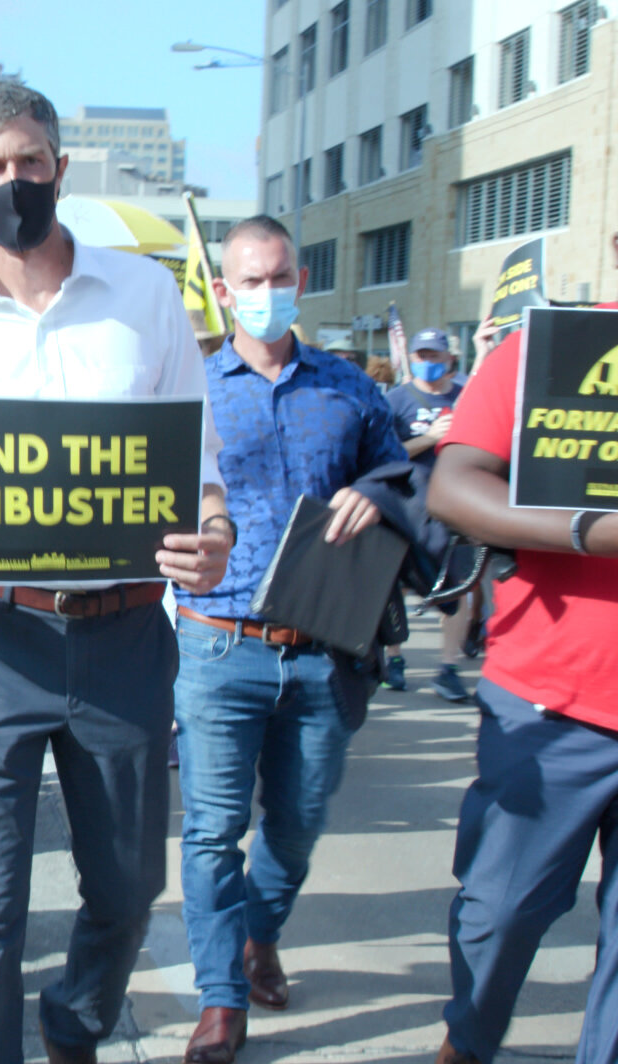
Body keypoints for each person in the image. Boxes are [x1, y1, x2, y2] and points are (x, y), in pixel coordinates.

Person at [0, 83, 231, 1064]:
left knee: (125, 890)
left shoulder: (148, 297)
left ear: (61, 167)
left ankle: (74, 1021)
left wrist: (213, 533)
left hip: (121, 640)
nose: (15, 183)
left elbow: (195, 474)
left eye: (31, 163)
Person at [426, 153, 618, 1064]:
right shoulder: (542, 352)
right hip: (548, 707)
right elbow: (455, 487)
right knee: (498, 916)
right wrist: (588, 533)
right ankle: (469, 1039)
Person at [171, 216, 407, 1063]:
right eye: (248, 281)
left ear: (298, 280)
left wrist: (381, 495)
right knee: (209, 829)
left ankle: (258, 932)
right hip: (216, 643)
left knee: (298, 824)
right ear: (223, 290)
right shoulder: (187, 389)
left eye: (278, 278)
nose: (264, 294)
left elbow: (403, 475)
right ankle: (220, 998)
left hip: (323, 649)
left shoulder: (349, 388)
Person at [380, 328, 471, 698]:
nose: (427, 362)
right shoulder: (398, 400)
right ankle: (394, 657)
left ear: (450, 359)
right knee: (390, 588)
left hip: (455, 509)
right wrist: (430, 438)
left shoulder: (467, 399)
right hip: (404, 506)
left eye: (434, 355)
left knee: (459, 586)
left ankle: (447, 667)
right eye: (421, 355)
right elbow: (384, 455)